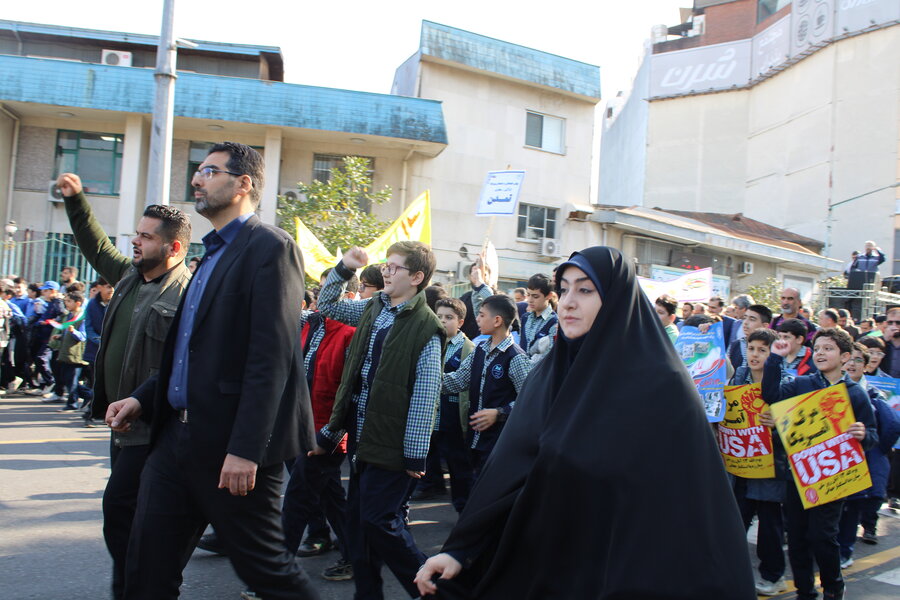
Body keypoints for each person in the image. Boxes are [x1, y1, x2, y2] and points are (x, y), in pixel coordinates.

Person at [415, 246, 756, 599]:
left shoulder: (662, 387)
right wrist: (462, 549)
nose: (567, 302)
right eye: (563, 289)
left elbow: (683, 516)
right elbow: (511, 472)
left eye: (585, 290)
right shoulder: (551, 374)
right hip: (545, 568)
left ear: (616, 300)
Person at [104, 141, 319, 600]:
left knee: (268, 574)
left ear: (243, 184)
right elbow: (189, 354)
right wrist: (143, 397)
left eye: (209, 171)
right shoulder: (208, 256)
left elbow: (273, 358)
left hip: (230, 448)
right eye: (198, 170)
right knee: (144, 569)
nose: (197, 179)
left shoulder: (270, 248)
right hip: (174, 442)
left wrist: (246, 450)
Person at [58, 171, 194, 599]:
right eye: (136, 234)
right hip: (122, 424)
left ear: (173, 248)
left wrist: (139, 401)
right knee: (129, 518)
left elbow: (179, 367)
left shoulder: (188, 295)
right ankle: (136, 584)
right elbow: (95, 245)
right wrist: (77, 200)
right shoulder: (131, 276)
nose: (136, 242)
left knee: (122, 511)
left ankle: (147, 584)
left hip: (155, 429)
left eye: (147, 237)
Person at [310, 241, 444, 600]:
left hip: (394, 440)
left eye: (394, 267)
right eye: (385, 265)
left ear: (417, 277)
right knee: (358, 527)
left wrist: (415, 454)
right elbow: (327, 306)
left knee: (379, 521)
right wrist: (344, 269)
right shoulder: (374, 307)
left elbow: (426, 393)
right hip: (362, 434)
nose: (385, 271)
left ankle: (432, 588)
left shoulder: (426, 326)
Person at [763, 328, 878, 600]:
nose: (821, 354)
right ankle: (805, 591)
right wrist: (775, 359)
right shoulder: (802, 384)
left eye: (829, 349)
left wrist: (863, 434)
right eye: (818, 349)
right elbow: (770, 394)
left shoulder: (855, 393)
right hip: (799, 475)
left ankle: (834, 587)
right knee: (799, 537)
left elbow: (872, 436)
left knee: (822, 536)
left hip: (832, 477)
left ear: (845, 357)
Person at [441, 294, 531, 479]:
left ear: (497, 320)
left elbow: (530, 401)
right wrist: (426, 380)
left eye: (482, 315)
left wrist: (500, 412)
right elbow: (458, 380)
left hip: (500, 443)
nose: (477, 319)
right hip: (476, 439)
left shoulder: (515, 357)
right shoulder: (480, 350)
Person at [727, 328, 788, 596]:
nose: (755, 355)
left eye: (763, 350)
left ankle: (773, 576)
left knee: (770, 526)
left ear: (773, 353)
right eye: (751, 349)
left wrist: (778, 423)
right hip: (741, 464)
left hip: (772, 466)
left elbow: (794, 424)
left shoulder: (785, 383)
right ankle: (731, 572)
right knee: (735, 520)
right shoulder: (738, 376)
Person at [837, 343, 900, 567]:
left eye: (858, 361)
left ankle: (845, 551)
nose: (852, 364)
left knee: (852, 507)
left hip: (861, 461)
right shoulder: (831, 389)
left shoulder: (872, 393)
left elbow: (892, 425)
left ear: (865, 366)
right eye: (849, 359)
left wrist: (876, 449)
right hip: (833, 462)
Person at [428, 296, 476, 512]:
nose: (443, 321)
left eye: (449, 317)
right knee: (426, 457)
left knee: (458, 467)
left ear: (461, 322)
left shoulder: (469, 349)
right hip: (430, 416)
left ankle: (464, 509)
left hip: (453, 418)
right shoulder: (430, 342)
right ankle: (429, 486)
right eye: (439, 317)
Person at [50, 291, 88, 411]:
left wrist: (73, 332)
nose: (66, 303)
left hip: (75, 355)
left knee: (71, 381)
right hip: (66, 353)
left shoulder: (81, 317)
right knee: (67, 379)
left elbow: (83, 336)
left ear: (78, 303)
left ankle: (73, 403)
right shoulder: (69, 316)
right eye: (65, 301)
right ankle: (89, 395)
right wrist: (60, 336)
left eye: (69, 301)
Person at [519, 273, 558, 360]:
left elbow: (549, 356)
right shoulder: (525, 317)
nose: (530, 300)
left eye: (535, 296)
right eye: (528, 295)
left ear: (549, 296)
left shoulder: (555, 322)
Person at [728, 304, 772, 369]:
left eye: (752, 319)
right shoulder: (735, 345)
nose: (745, 322)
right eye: (744, 318)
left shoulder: (772, 347)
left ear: (765, 325)